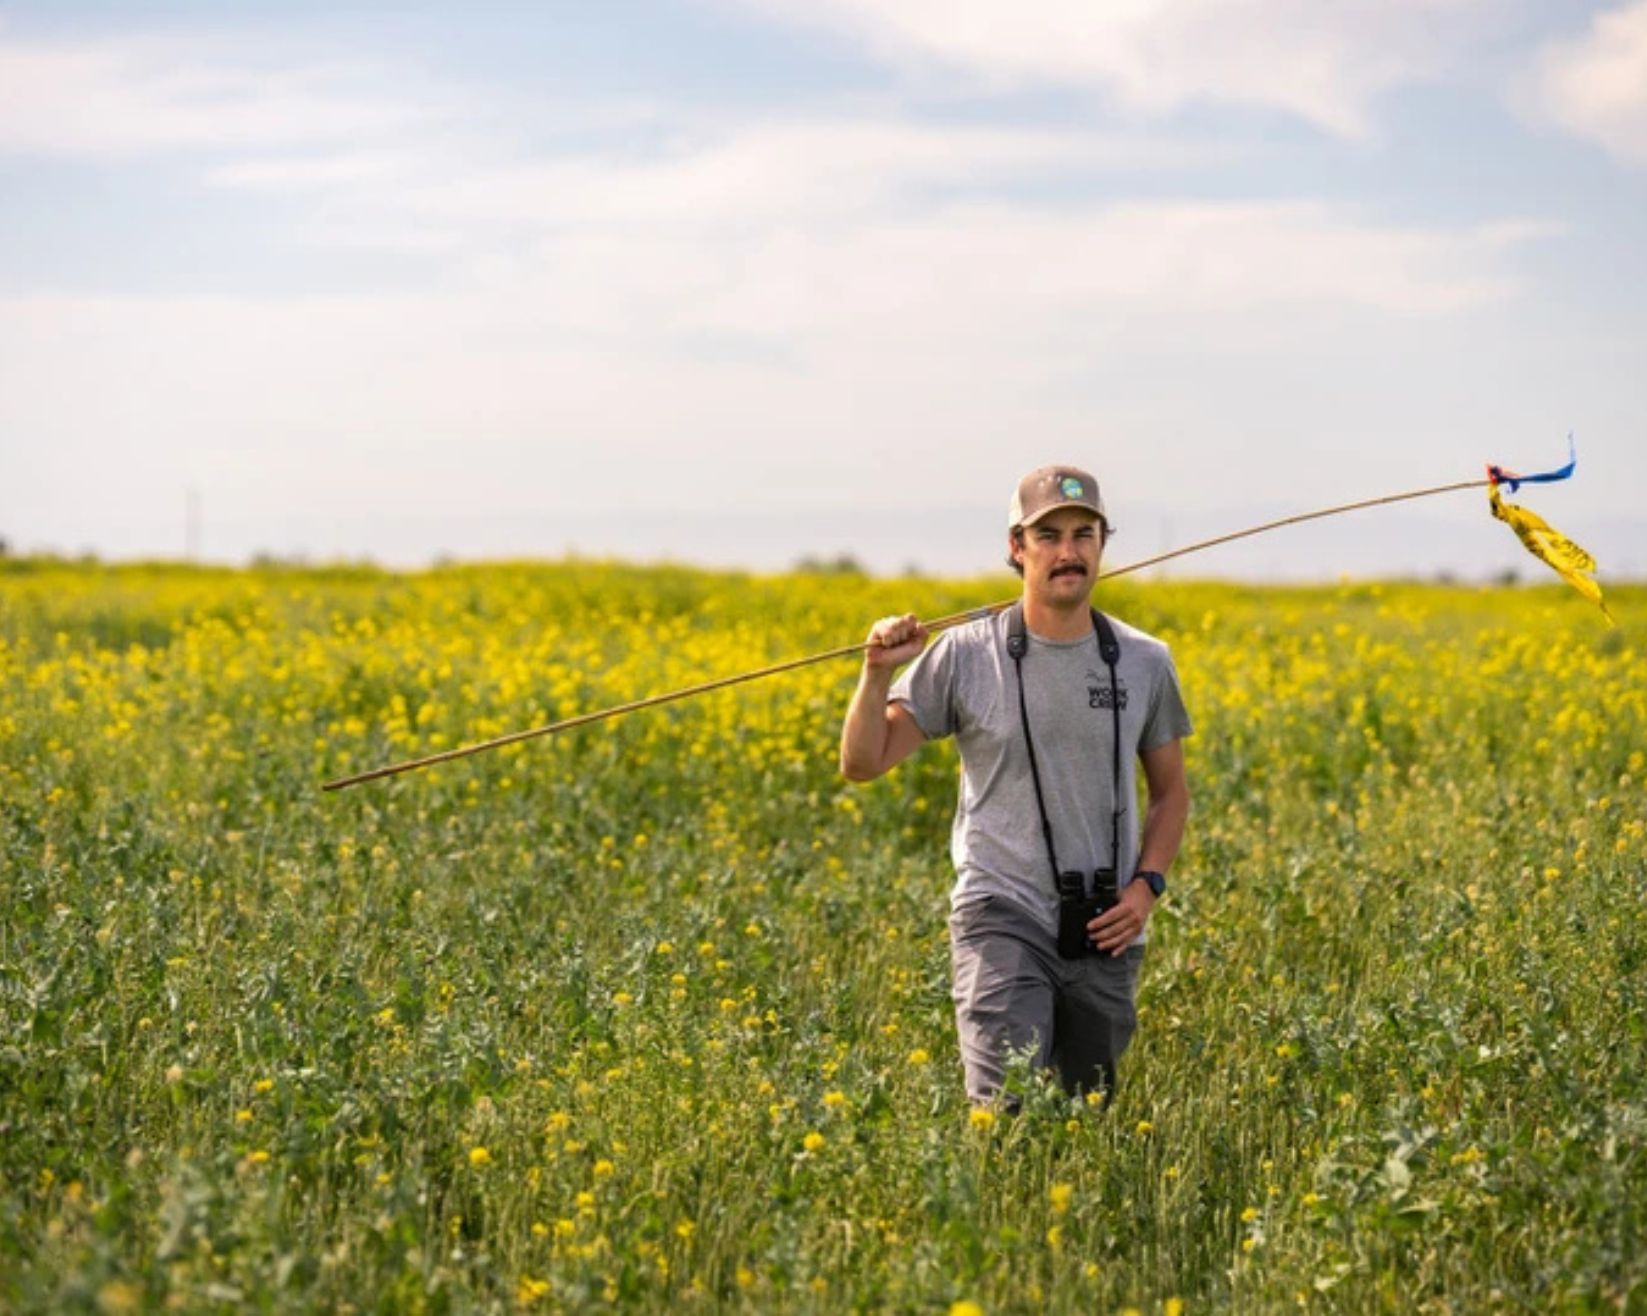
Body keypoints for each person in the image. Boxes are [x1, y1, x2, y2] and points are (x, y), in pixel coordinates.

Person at [839, 465, 1192, 1105]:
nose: (1068, 552)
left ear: (1102, 545)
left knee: (1087, 1121)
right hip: (1001, 913)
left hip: (1107, 924)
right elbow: (863, 763)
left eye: (1084, 534)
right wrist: (875, 674)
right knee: (1006, 1113)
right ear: (1016, 548)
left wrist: (1146, 889)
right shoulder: (966, 653)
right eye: (1049, 535)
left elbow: (1172, 793)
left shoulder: (1144, 660)